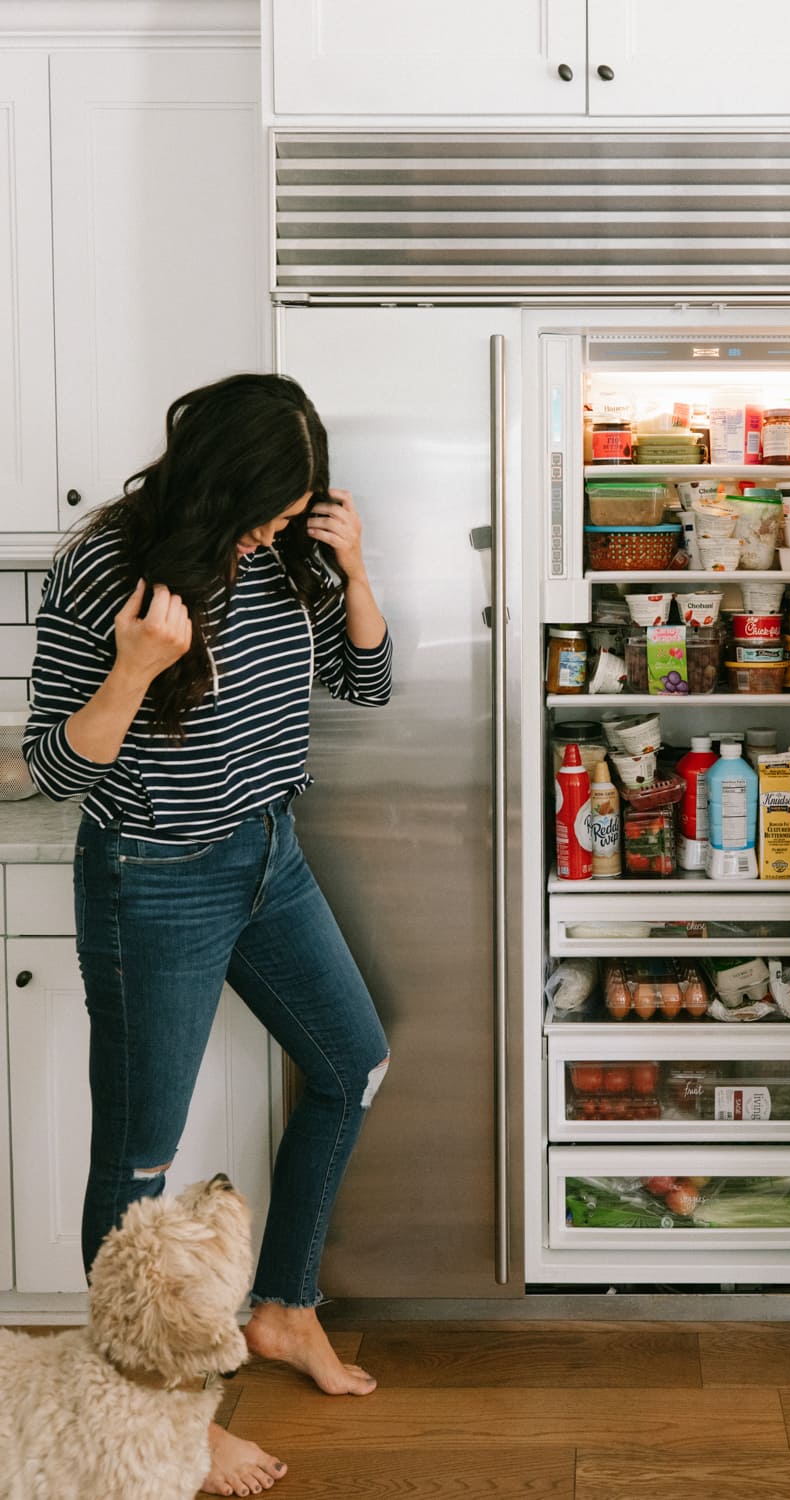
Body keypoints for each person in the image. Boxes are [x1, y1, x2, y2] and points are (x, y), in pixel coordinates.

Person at [22, 373, 393, 1497]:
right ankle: (158, 1417)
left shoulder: (285, 557)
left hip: (269, 858)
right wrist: (136, 669)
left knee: (351, 1065)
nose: (274, 534)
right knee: (139, 1164)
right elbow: (53, 766)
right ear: (215, 487)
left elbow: (365, 681)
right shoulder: (104, 567)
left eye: (290, 517)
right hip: (153, 884)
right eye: (264, 515)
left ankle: (282, 1309)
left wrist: (355, 566)